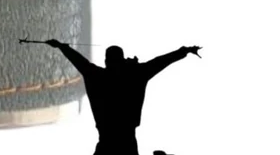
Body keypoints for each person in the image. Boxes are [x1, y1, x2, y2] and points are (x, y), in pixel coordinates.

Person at [45, 39, 201, 155]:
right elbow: (160, 62)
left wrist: (62, 46)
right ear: (122, 59)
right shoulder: (136, 75)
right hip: (128, 144)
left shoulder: (97, 76)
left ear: (106, 61)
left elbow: (79, 61)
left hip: (106, 144)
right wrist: (183, 51)